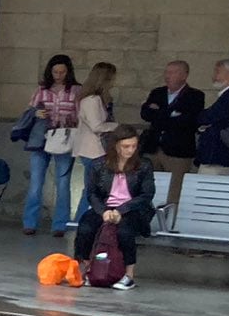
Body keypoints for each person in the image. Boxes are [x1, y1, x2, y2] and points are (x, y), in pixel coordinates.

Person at [73, 126, 154, 290]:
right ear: (116, 146)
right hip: (105, 207)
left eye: (134, 146)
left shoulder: (144, 165)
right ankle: (86, 267)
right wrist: (104, 211)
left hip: (132, 209)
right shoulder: (99, 165)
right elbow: (92, 193)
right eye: (126, 146)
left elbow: (146, 195)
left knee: (124, 231)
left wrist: (121, 211)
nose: (130, 150)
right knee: (86, 228)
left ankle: (129, 275)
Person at [22, 54, 80, 236]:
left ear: (68, 72)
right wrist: (37, 113)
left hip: (63, 137)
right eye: (55, 71)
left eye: (62, 72)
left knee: (63, 183)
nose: (58, 75)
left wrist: (69, 120)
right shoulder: (42, 89)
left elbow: (80, 115)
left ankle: (60, 224)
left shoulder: (76, 90)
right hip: (42, 138)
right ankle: (30, 222)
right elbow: (30, 109)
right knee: (36, 182)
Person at [137, 60, 204, 200]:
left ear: (184, 75)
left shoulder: (195, 95)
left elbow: (188, 121)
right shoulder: (157, 92)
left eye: (173, 72)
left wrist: (159, 113)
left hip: (178, 151)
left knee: (174, 191)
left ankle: (169, 219)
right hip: (153, 148)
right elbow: (145, 114)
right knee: (146, 188)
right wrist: (170, 114)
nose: (168, 76)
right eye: (166, 72)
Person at [70, 62, 120, 220]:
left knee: (94, 189)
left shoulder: (99, 99)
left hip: (97, 150)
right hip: (92, 150)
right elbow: (97, 126)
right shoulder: (92, 100)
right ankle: (80, 220)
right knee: (91, 190)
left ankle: (84, 220)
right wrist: (117, 126)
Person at [197, 58, 229, 175]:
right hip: (217, 156)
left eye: (218, 72)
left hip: (219, 155)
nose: (214, 76)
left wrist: (203, 118)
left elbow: (211, 116)